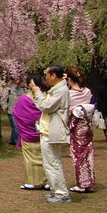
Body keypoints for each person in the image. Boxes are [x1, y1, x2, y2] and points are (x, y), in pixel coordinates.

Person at [29, 65, 72, 203]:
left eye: (47, 75)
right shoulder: (57, 90)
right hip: (47, 130)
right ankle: (56, 190)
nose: (46, 78)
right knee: (49, 163)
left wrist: (37, 92)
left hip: (52, 131)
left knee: (53, 162)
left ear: (54, 75)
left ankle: (61, 193)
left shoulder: (61, 90)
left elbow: (46, 106)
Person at [14, 74, 48, 190]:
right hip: (44, 132)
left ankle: (34, 181)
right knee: (46, 158)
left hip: (28, 133)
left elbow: (17, 114)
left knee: (31, 158)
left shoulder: (24, 99)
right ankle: (47, 181)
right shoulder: (47, 97)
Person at [66, 66, 95, 193]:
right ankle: (89, 181)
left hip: (75, 125)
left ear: (70, 79)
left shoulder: (69, 94)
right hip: (87, 124)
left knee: (77, 154)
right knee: (88, 152)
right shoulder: (87, 91)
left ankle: (81, 183)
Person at [1, 77, 24, 145]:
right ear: (13, 80)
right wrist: (4, 107)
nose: (18, 81)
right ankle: (15, 140)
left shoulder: (21, 90)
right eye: (17, 79)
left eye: (20, 80)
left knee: (18, 126)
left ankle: (12, 140)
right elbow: (3, 99)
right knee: (15, 126)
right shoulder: (8, 89)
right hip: (11, 110)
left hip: (19, 111)